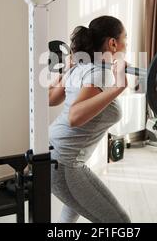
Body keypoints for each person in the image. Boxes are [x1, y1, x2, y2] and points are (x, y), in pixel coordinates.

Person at [48, 15, 131, 223]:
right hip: (64, 162)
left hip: (52, 153)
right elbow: (74, 117)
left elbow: (51, 98)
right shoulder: (100, 74)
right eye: (125, 38)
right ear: (113, 43)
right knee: (120, 222)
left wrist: (66, 70)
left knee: (71, 211)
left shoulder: (79, 67)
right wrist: (118, 88)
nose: (127, 44)